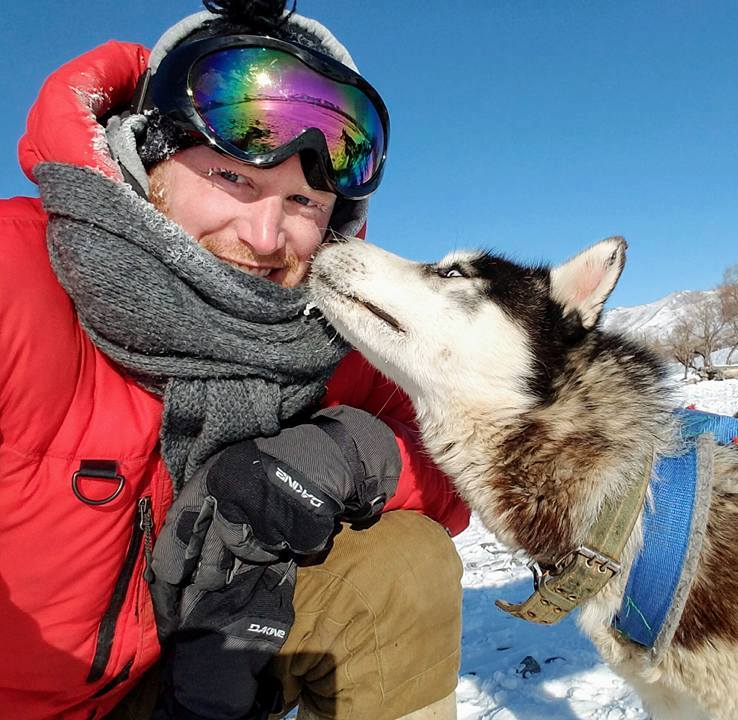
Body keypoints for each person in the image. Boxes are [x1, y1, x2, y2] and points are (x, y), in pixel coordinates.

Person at [0, 1, 469, 719]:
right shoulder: (15, 277)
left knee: (400, 567)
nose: (265, 234)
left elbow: (456, 464)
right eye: (235, 179)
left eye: (305, 200)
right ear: (146, 156)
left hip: (183, 686)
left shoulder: (328, 333)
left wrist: (351, 451)